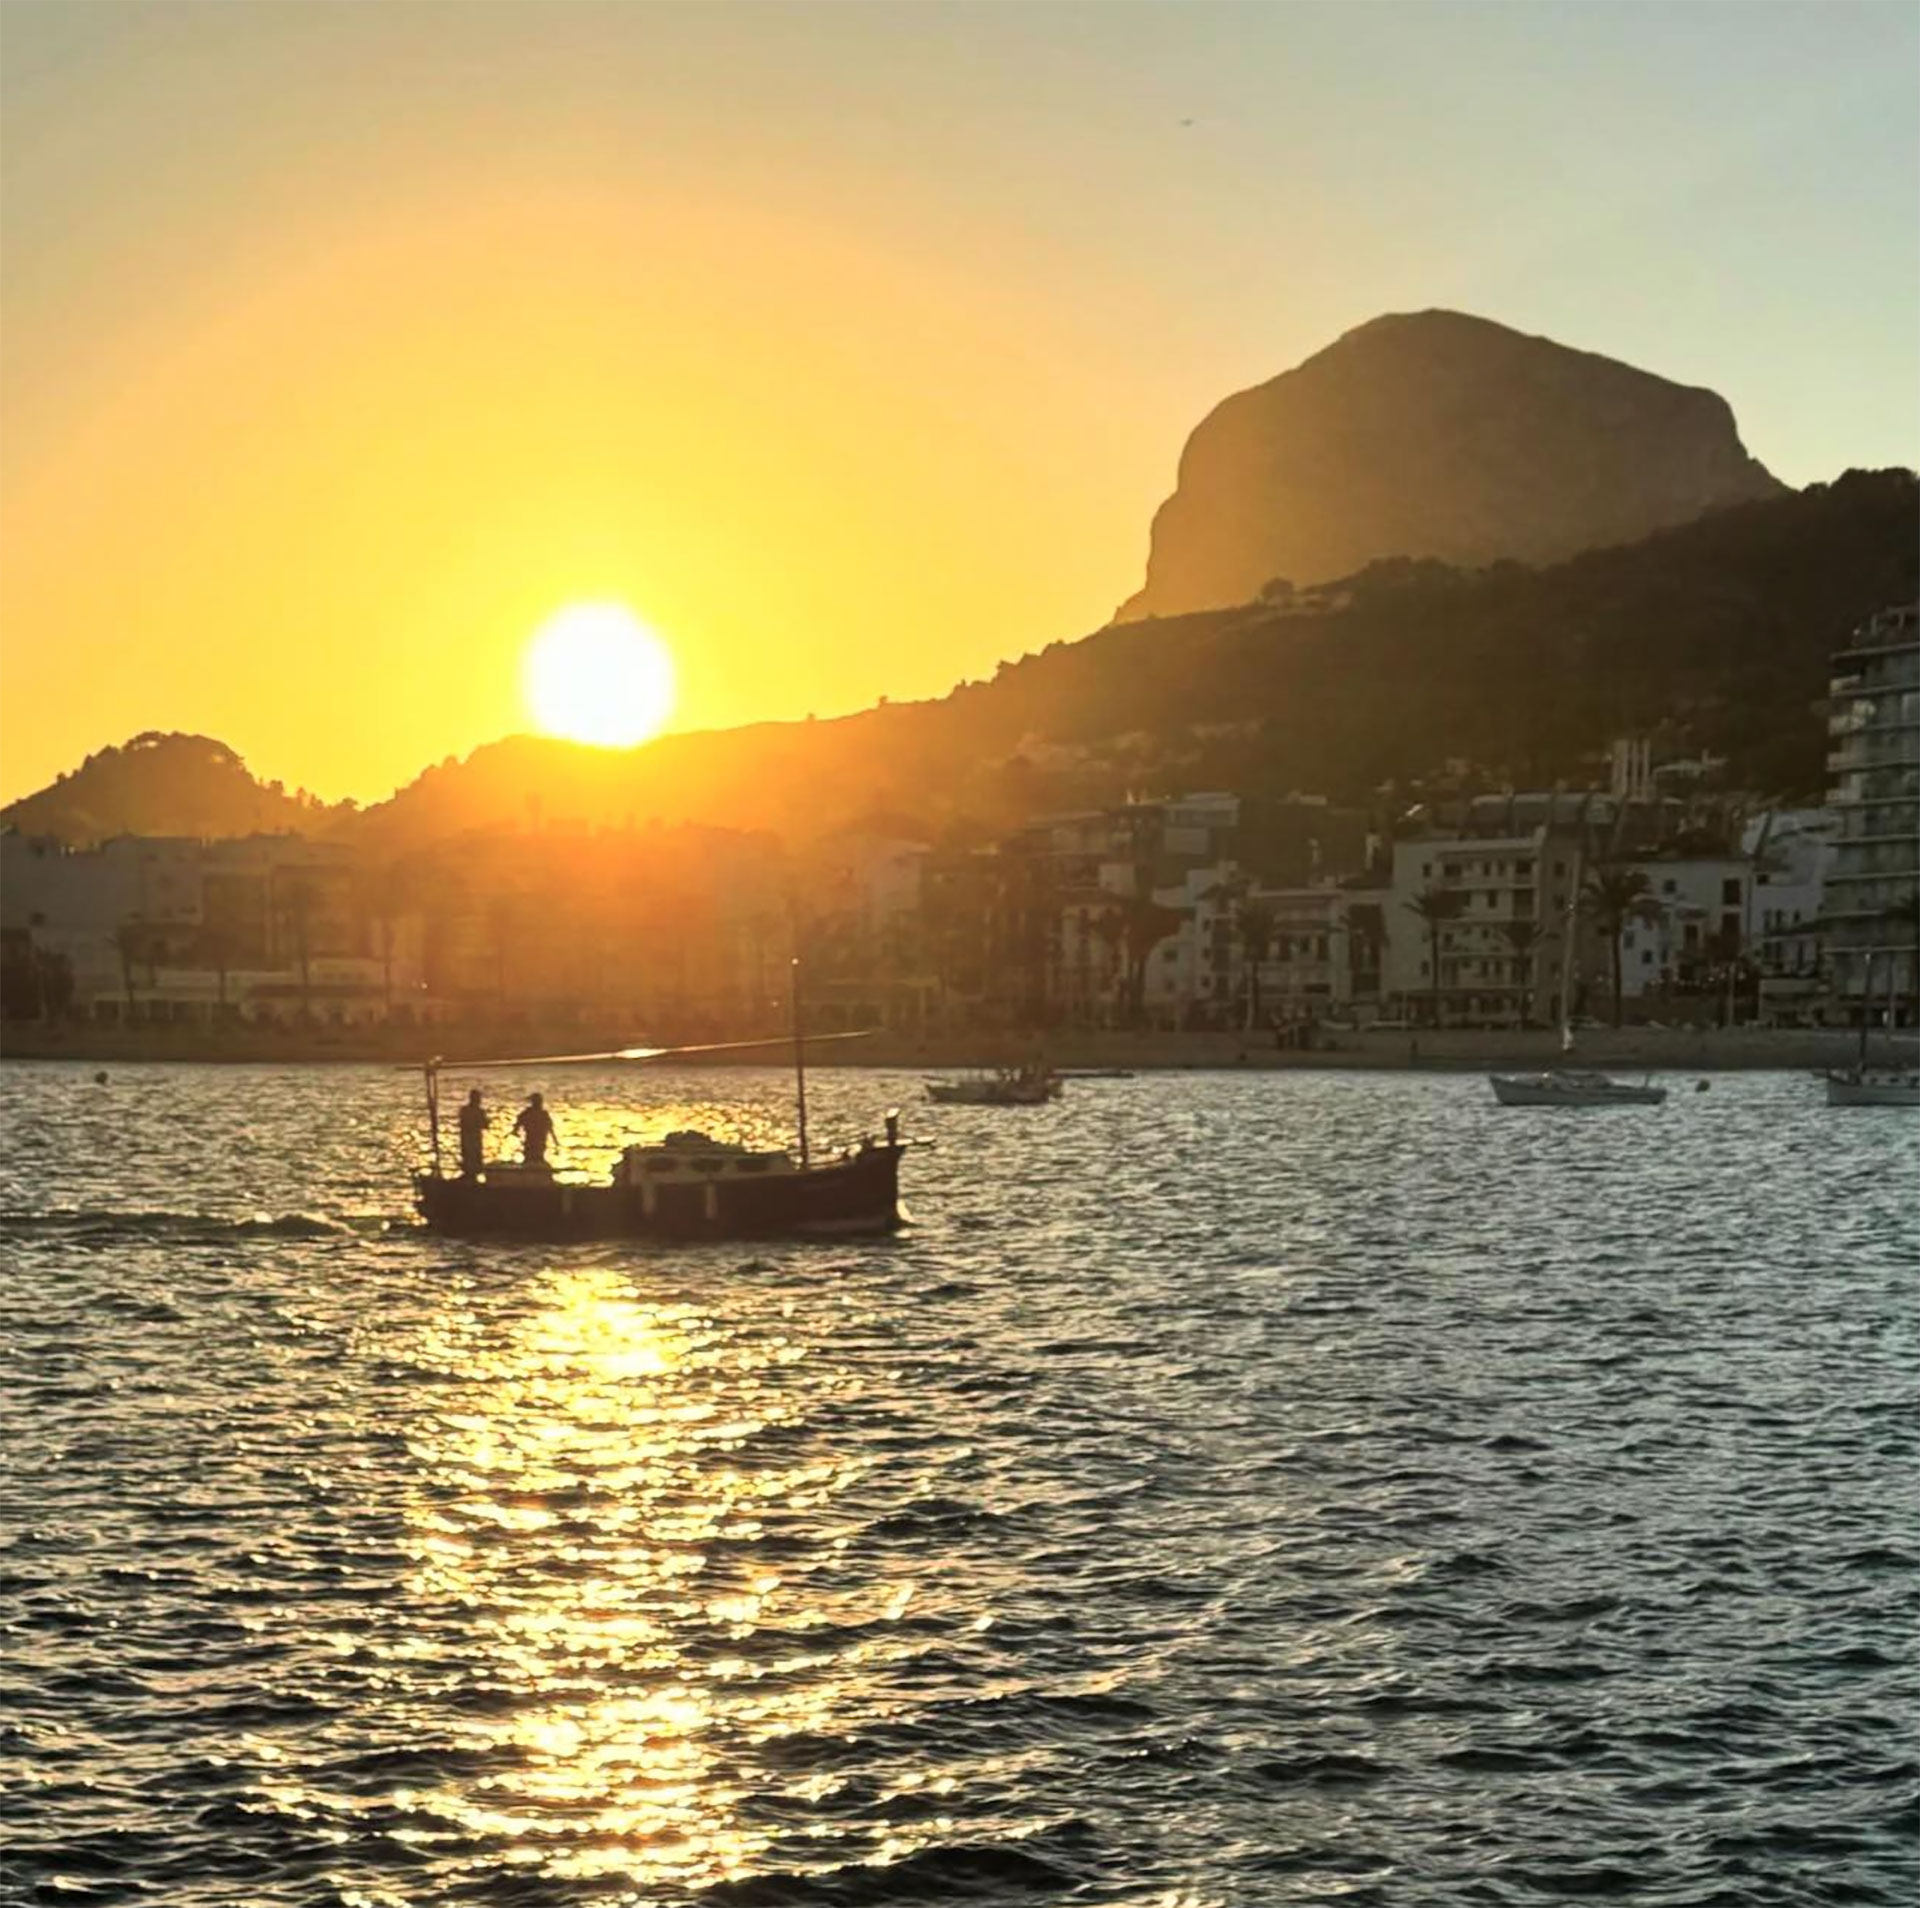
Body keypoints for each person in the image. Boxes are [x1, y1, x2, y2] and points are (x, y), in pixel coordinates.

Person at [514, 1090, 556, 1168]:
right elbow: (550, 1128)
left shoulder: (531, 1113)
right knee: (534, 1157)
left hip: (536, 1142)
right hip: (535, 1141)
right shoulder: (541, 1114)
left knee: (533, 1157)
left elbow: (518, 1122)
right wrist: (555, 1141)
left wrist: (515, 1130)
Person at [457, 1088, 489, 1177]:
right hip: (469, 1138)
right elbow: (484, 1125)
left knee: (473, 1157)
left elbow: (485, 1125)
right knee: (469, 1156)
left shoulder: (474, 1111)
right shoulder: (470, 1111)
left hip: (473, 1138)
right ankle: (469, 1175)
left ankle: (472, 1175)